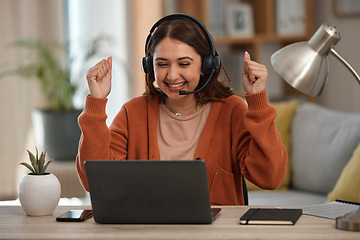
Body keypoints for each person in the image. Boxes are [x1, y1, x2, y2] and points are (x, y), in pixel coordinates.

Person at [76, 14, 287, 205]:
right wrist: (96, 101)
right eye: (162, 64)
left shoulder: (232, 110)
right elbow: (94, 181)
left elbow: (269, 177)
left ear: (206, 66)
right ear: (150, 66)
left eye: (184, 64)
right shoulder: (134, 112)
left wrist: (257, 100)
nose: (172, 75)